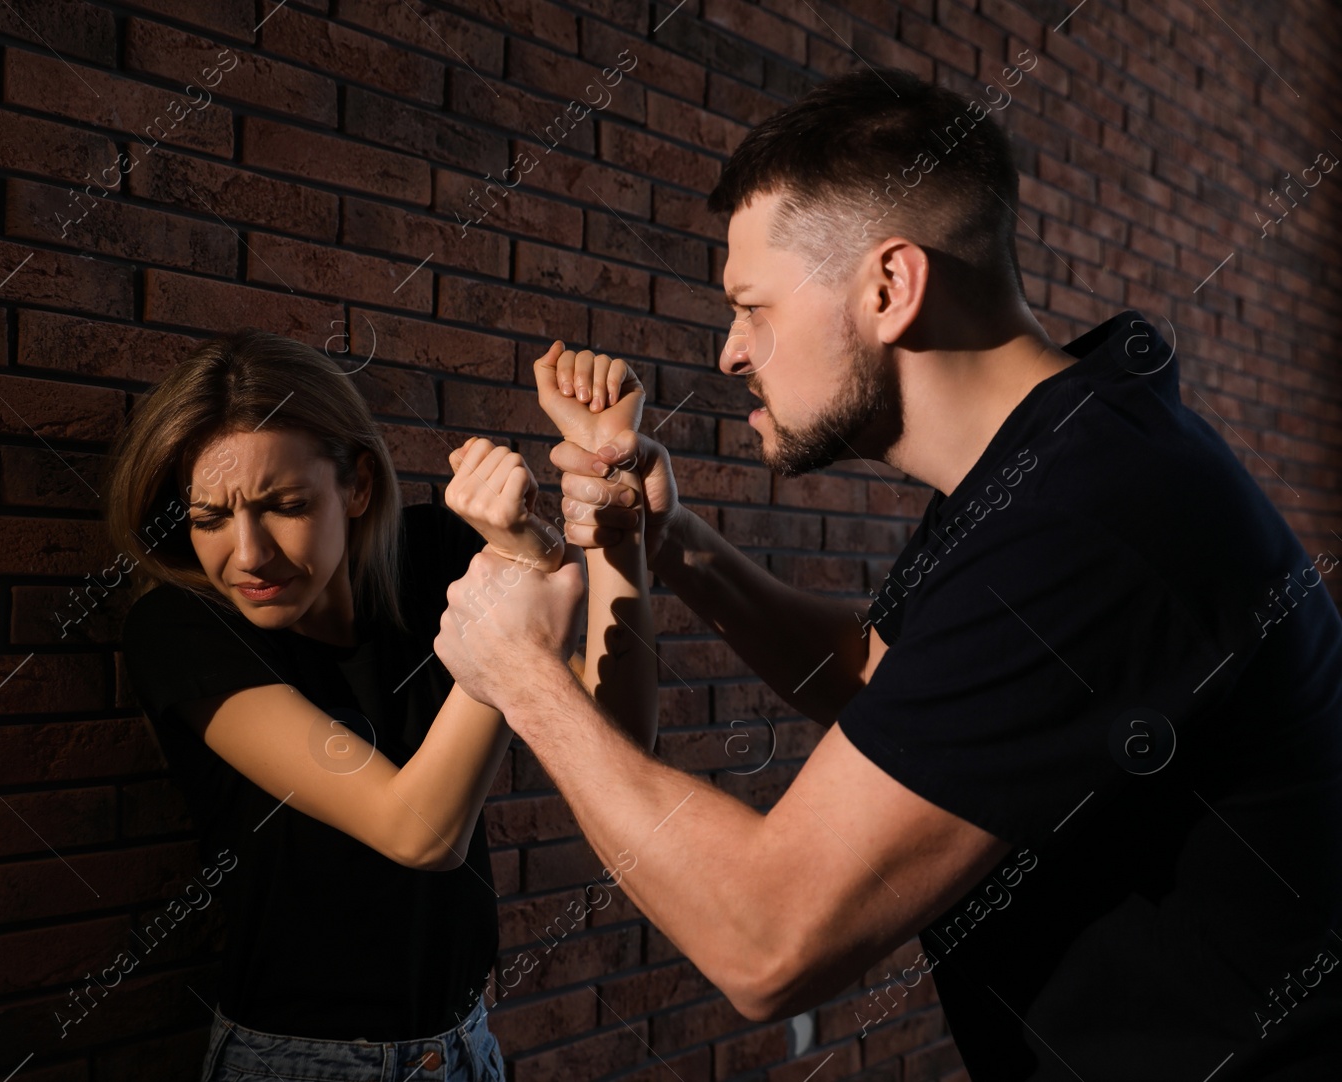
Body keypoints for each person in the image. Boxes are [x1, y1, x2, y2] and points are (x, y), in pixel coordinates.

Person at [431, 67, 1342, 1081]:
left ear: (888, 286)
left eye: (752, 306)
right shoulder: (1054, 459)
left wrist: (521, 670)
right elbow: (887, 681)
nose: (730, 353)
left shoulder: (1084, 521)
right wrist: (674, 538)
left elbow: (768, 941)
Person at [109, 330, 653, 1081]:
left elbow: (621, 741)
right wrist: (517, 580)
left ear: (358, 486)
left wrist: (614, 508)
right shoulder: (179, 629)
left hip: (465, 1046)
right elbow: (418, 829)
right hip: (302, 1063)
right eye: (208, 520)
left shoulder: (433, 556)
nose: (247, 554)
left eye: (285, 505)